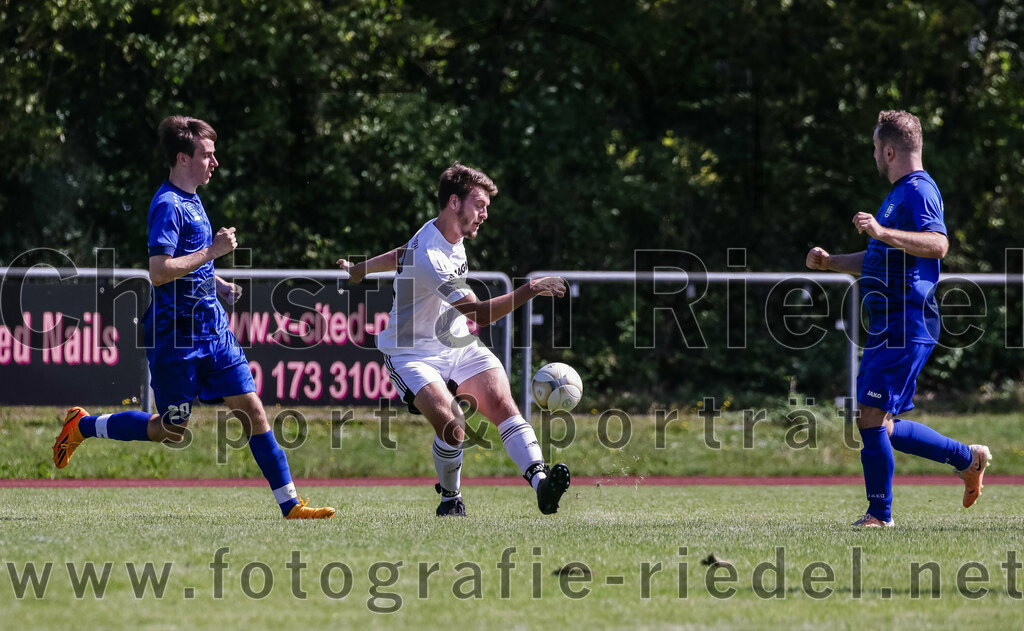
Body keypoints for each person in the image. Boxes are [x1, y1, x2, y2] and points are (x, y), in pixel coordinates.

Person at [52, 115, 334, 520]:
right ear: (184, 158)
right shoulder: (168, 204)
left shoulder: (194, 198)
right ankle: (82, 426)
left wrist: (215, 281)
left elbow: (190, 262)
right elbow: (159, 270)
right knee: (170, 431)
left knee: (253, 409)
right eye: (207, 155)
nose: (214, 163)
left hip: (213, 331)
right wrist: (214, 253)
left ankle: (290, 505)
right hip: (175, 338)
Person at [338, 162, 571, 516]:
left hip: (458, 344)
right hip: (411, 353)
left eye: (487, 208)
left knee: (503, 406)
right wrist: (531, 289)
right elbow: (479, 313)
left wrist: (360, 269)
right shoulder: (431, 256)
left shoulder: (445, 233)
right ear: (453, 202)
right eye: (479, 205)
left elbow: (403, 252)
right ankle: (450, 499)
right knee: (453, 426)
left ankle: (542, 484)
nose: (484, 215)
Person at [807, 110, 991, 527]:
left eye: (875, 148)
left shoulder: (918, 191)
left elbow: (938, 244)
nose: (874, 154)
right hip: (889, 325)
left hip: (908, 322)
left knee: (871, 418)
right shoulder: (896, 196)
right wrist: (831, 262)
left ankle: (879, 516)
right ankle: (968, 459)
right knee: (877, 424)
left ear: (888, 150)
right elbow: (878, 257)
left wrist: (882, 232)